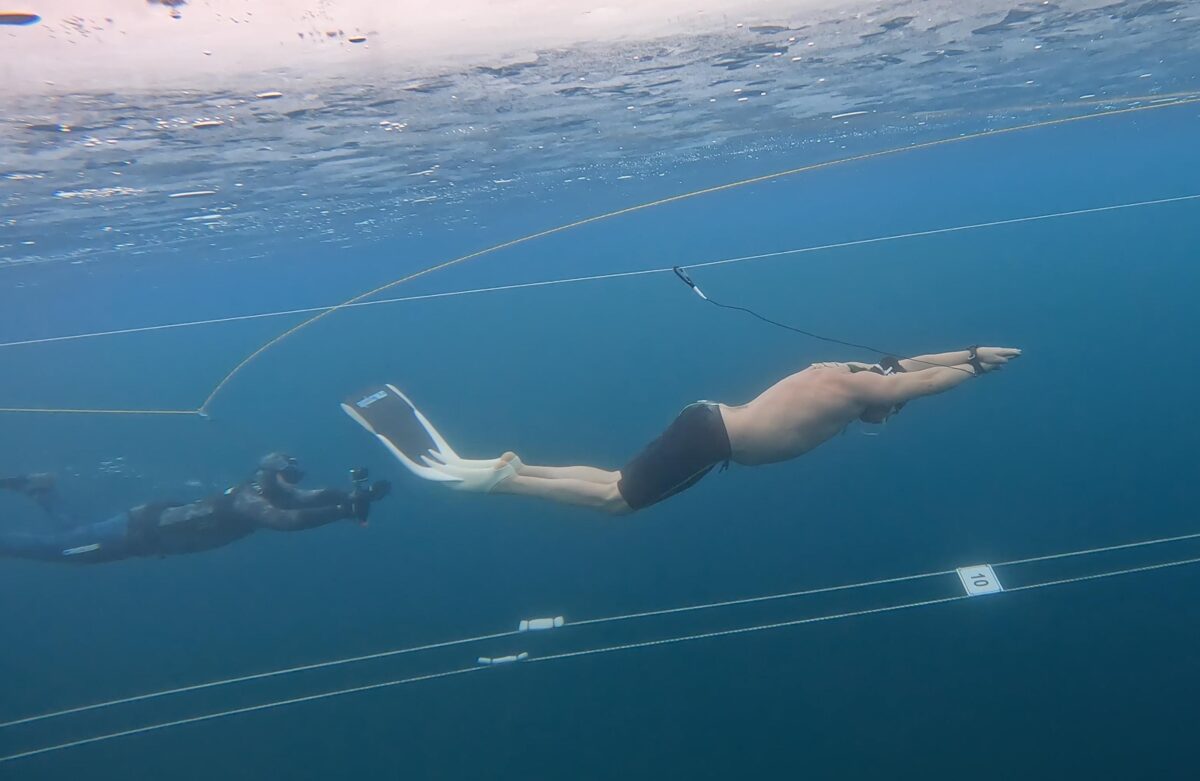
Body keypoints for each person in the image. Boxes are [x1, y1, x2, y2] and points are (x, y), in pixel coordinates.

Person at [379, 346, 1019, 515]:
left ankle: (518, 468)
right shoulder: (866, 391)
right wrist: (972, 371)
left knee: (615, 479)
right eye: (885, 413)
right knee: (615, 502)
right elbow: (917, 384)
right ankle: (503, 484)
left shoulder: (849, 373)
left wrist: (970, 352)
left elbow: (907, 366)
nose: (882, 418)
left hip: (707, 419)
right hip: (716, 442)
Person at [0, 453, 391, 564]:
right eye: (290, 476)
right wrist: (343, 511)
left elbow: (309, 498)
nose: (296, 483)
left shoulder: (271, 492)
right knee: (60, 551)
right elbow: (286, 522)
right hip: (136, 534)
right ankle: (36, 496)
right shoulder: (250, 500)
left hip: (142, 527)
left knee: (70, 539)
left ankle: (41, 489)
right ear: (272, 476)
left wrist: (353, 497)